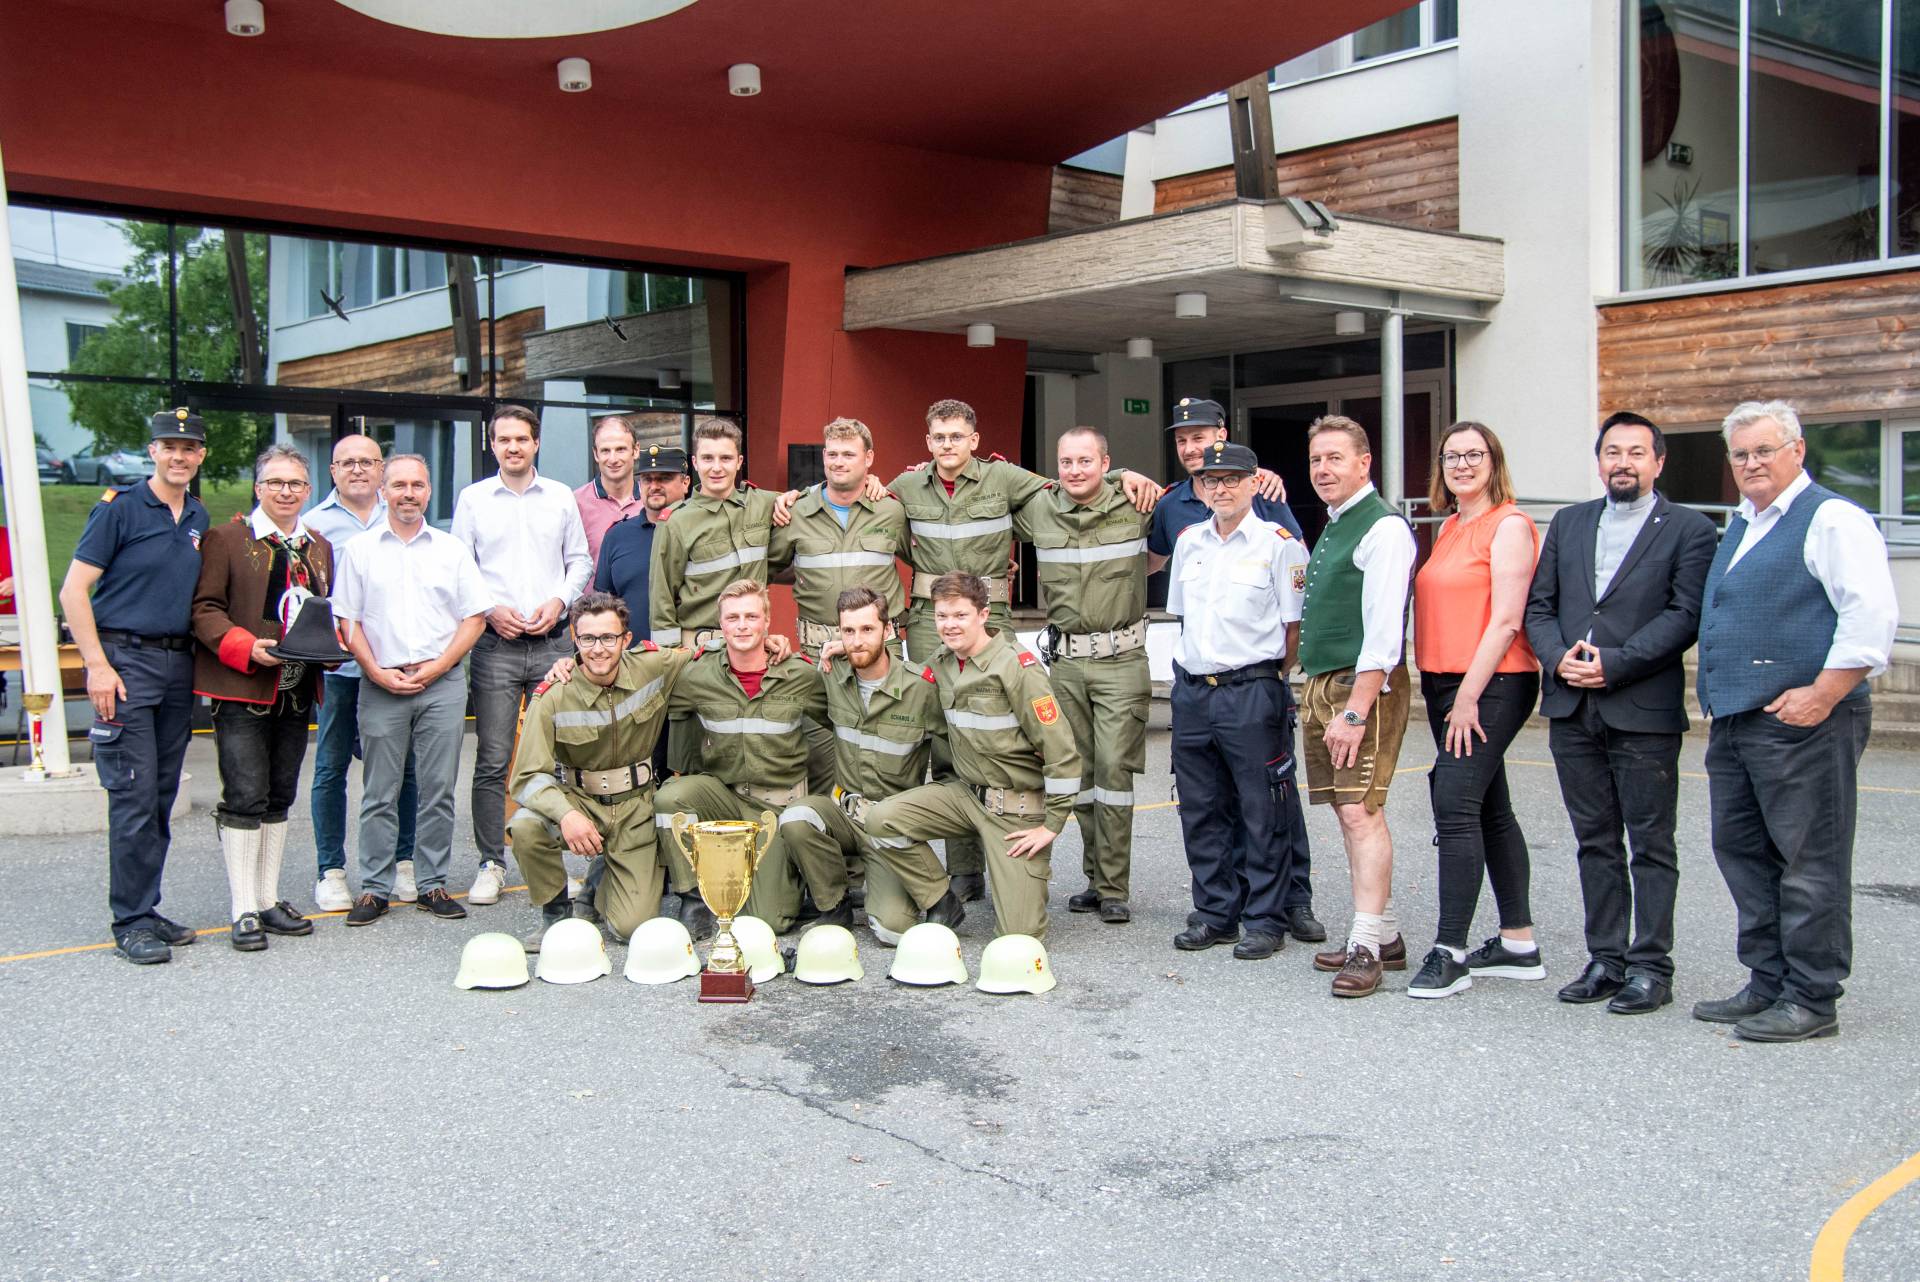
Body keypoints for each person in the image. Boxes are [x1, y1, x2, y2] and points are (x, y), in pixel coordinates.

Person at [887, 397, 1156, 900]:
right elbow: (882, 520)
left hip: (992, 619)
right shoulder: (905, 487)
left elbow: (1068, 486)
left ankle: (1012, 849)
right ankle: (964, 870)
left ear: (975, 440)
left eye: (957, 436)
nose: (948, 445)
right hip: (929, 622)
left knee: (1005, 738)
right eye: (939, 437)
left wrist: (1122, 475)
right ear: (928, 442)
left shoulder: (1006, 479)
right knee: (945, 737)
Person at [1692, 400, 1897, 1043]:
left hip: (1805, 719)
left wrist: (1823, 695)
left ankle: (1812, 997)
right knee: (1744, 853)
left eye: (1765, 450)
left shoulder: (1832, 518)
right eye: (1741, 454)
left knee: (1809, 861)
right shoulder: (1743, 524)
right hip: (1739, 719)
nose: (1752, 463)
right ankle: (1769, 981)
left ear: (1797, 450)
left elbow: (1870, 617)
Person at [1524, 411, 1717, 1014]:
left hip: (1641, 707)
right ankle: (1606, 960)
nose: (1623, 463)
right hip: (1572, 704)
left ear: (1659, 461)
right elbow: (1540, 607)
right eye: (1613, 452)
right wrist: (1558, 659)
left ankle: (1651, 967)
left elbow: (1685, 614)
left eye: (1636, 452)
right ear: (1599, 460)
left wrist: (1616, 663)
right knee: (1595, 841)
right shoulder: (1570, 522)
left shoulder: (1690, 529)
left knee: (1651, 843)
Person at [58, 407, 211, 965]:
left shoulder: (197, 515)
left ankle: (147, 908)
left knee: (161, 794)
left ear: (200, 456)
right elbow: (73, 591)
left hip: (177, 666)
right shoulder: (119, 509)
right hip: (124, 663)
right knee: (132, 795)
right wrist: (96, 666)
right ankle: (129, 920)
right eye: (169, 446)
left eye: (189, 448)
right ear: (152, 452)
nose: (179, 456)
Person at [865, 572, 1082, 941]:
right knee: (882, 819)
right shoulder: (943, 662)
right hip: (966, 796)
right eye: (941, 616)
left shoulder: (1017, 668)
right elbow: (898, 676)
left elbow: (1061, 751)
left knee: (1018, 938)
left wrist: (1052, 824)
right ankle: (940, 898)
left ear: (983, 615)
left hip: (1015, 810)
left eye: (960, 615)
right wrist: (845, 651)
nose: (949, 625)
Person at [1407, 421, 1542, 1000]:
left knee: (1455, 804)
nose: (1461, 465)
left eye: (1473, 455)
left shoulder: (1509, 525)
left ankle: (1450, 951)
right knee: (1491, 808)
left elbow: (1507, 620)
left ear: (1494, 461)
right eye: (1451, 456)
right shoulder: (1450, 528)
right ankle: (1518, 944)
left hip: (1492, 683)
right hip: (1445, 683)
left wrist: (1468, 697)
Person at [1164, 441, 1312, 961]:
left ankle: (1266, 918)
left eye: (1232, 479)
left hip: (1251, 690)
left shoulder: (1279, 545)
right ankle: (1215, 913)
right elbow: (1184, 617)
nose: (1221, 488)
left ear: (1253, 484)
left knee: (1261, 810)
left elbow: (1294, 630)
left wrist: (1264, 677)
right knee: (1200, 809)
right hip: (1193, 693)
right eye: (1212, 480)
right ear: (1201, 488)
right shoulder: (1189, 542)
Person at [332, 454, 492, 928]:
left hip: (441, 684)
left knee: (438, 789)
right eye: (399, 485)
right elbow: (347, 621)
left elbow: (475, 618)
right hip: (381, 683)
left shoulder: (450, 550)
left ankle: (432, 884)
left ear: (428, 491)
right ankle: (375, 888)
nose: (408, 493)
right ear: (383, 490)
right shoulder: (360, 550)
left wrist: (438, 667)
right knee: (379, 791)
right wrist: (375, 670)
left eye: (417, 485)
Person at [189, 444, 332, 950]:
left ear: (308, 490)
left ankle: (268, 899)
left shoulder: (318, 546)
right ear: (258, 487)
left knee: (279, 794)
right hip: (242, 686)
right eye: (275, 482)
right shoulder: (226, 539)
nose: (285, 491)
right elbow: (205, 609)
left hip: (296, 689)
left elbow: (320, 614)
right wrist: (246, 646)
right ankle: (243, 907)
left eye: (295, 483)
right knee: (245, 795)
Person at [1295, 417, 1418, 997]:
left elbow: (1385, 632)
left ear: (1364, 462)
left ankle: (1366, 946)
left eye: (1335, 458)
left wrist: (1355, 710)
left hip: (1362, 687)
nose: (1323, 469)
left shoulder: (1383, 527)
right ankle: (1383, 934)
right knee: (1347, 811)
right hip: (1328, 681)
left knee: (1361, 810)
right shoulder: (1339, 521)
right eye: (1316, 459)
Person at [451, 404, 591, 908]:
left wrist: (560, 601)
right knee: (493, 758)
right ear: (492, 445)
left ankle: (551, 862)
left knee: (558, 758)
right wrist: (490, 610)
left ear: (536, 443)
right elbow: (460, 566)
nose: (513, 447)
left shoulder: (559, 497)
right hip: (497, 646)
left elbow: (580, 560)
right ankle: (491, 863)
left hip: (553, 643)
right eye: (504, 439)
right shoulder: (473, 499)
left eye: (522, 439)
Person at [1011, 427, 1150, 925]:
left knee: (1113, 773)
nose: (1075, 470)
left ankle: (1114, 887)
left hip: (1121, 661)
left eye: (1086, 461)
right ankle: (1095, 880)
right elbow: (986, 496)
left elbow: (1201, 495)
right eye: (1066, 461)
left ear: (1106, 463)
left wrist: (1262, 479)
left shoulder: (1137, 501)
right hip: (1066, 665)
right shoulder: (1040, 508)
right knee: (1081, 775)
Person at [507, 592, 699, 947]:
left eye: (609, 638)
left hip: (635, 809)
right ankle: (556, 915)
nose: (598, 649)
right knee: (526, 826)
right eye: (588, 639)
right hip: (579, 801)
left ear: (626, 639)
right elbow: (526, 777)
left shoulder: (653, 666)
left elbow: (705, 653)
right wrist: (566, 814)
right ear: (575, 639)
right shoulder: (553, 696)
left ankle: (597, 884)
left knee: (631, 928)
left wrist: (767, 642)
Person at [653, 578, 836, 935]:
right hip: (723, 798)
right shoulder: (697, 674)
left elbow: (841, 720)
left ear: (767, 621)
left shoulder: (800, 675)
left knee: (770, 921)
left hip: (776, 808)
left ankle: (789, 871)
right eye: (732, 617)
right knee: (670, 799)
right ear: (720, 624)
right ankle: (694, 897)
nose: (741, 625)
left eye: (751, 617)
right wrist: (570, 666)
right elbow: (639, 674)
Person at [788, 587, 967, 942]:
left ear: (887, 631)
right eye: (848, 631)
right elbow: (778, 666)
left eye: (867, 629)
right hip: (844, 813)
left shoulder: (920, 689)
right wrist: (774, 642)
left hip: (890, 826)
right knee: (796, 819)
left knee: (891, 930)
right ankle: (834, 906)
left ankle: (936, 893)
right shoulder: (832, 676)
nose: (857, 641)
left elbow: (956, 752)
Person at [302, 433, 420, 912]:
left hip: (395, 670)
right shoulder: (312, 525)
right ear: (333, 470)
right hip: (340, 670)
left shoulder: (403, 517)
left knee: (401, 771)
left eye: (367, 462)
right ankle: (330, 869)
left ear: (380, 471)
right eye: (347, 462)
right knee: (331, 769)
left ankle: (403, 861)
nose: (357, 470)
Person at [768, 417, 910, 657]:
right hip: (818, 651)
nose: (839, 462)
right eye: (832, 454)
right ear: (824, 456)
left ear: (868, 458)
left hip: (881, 651)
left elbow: (924, 560)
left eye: (848, 455)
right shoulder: (795, 512)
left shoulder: (891, 511)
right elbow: (762, 570)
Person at [1145, 397, 1302, 574]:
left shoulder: (1262, 492)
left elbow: (1298, 562)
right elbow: (1149, 564)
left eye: (1198, 438)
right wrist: (1123, 476)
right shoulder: (1169, 504)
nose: (1189, 449)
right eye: (1181, 441)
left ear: (1221, 436)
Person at [591, 442, 690, 642]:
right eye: (647, 479)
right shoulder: (617, 536)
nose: (654, 486)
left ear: (685, 483)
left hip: (691, 654)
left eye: (664, 478)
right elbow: (604, 607)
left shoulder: (701, 531)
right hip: (633, 655)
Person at [574, 415, 648, 561]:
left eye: (620, 449)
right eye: (605, 451)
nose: (613, 459)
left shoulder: (652, 500)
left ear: (636, 450)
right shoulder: (576, 503)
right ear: (596, 454)